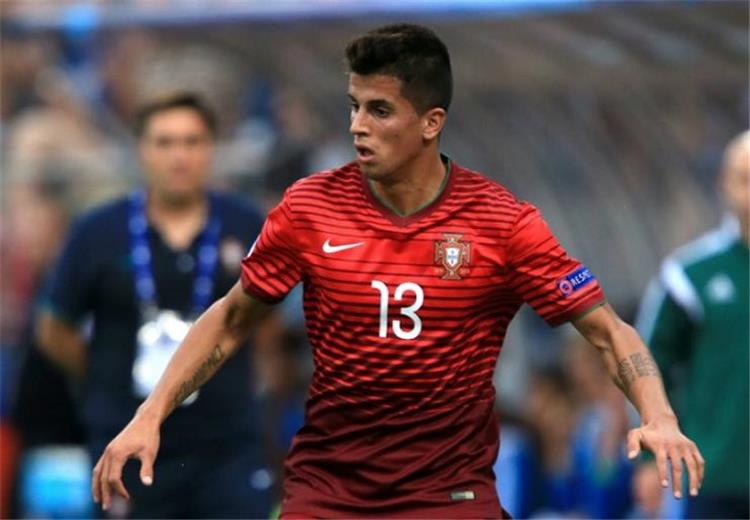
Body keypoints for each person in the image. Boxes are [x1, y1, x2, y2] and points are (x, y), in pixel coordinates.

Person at [92, 25, 704, 518]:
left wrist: (659, 417)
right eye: (354, 106)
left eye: (379, 110)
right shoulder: (309, 208)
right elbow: (231, 320)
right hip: (328, 493)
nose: (357, 126)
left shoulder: (501, 222)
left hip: (449, 496)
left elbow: (609, 331)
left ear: (431, 122)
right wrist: (150, 415)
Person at [36, 92, 273, 518]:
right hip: (126, 436)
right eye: (164, 142)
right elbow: (55, 327)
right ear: (141, 150)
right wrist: (103, 380)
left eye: (191, 142)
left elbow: (267, 321)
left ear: (211, 149)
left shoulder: (246, 223)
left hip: (225, 440)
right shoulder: (97, 230)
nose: (179, 156)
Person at [635, 130, 749, 519]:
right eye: (745, 179)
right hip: (716, 476)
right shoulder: (690, 276)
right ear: (724, 184)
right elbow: (648, 365)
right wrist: (648, 458)